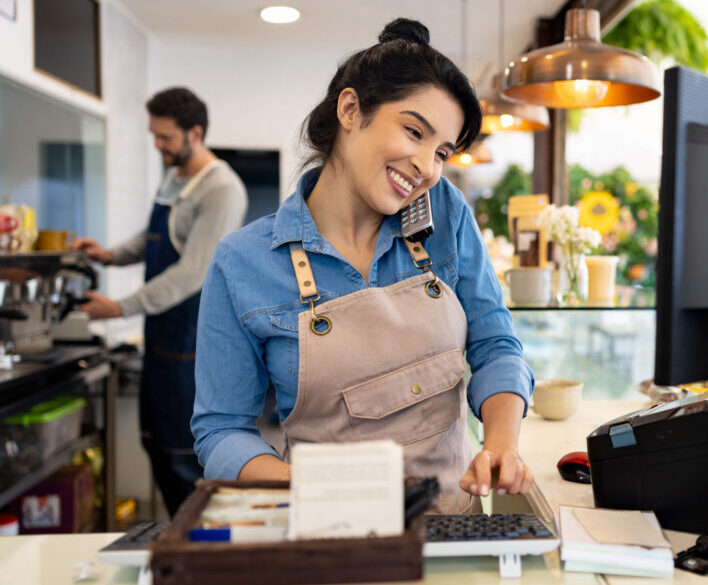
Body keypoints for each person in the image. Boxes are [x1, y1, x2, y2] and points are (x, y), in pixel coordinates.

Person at [191, 18, 534, 514]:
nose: (427, 167)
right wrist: (309, 490)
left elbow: (495, 344)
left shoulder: (445, 214)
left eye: (441, 152)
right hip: (326, 530)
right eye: (413, 131)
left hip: (449, 531)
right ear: (350, 109)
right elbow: (221, 430)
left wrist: (501, 443)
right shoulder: (242, 262)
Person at [72, 87, 248, 515]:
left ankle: (203, 559)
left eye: (165, 137)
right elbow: (151, 239)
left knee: (185, 461)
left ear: (195, 133)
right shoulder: (175, 177)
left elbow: (192, 272)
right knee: (156, 447)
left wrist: (118, 307)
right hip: (160, 342)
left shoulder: (222, 189)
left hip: (193, 347)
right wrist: (110, 254)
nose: (158, 146)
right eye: (155, 136)